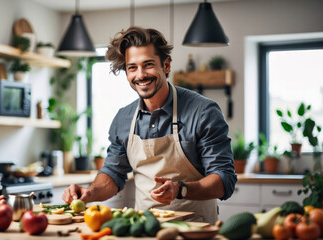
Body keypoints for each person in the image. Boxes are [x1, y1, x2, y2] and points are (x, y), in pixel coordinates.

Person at [63, 26, 237, 224]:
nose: (141, 75)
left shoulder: (203, 112)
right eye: (132, 68)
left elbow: (224, 179)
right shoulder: (124, 118)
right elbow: (113, 173)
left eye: (148, 65)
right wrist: (90, 192)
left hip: (196, 228)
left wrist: (181, 189)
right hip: (144, 229)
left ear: (167, 65)